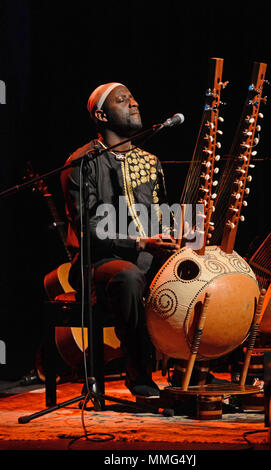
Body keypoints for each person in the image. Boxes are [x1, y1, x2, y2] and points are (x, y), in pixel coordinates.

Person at [60, 82, 179, 398]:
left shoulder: (150, 162)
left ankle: (193, 371)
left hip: (147, 259)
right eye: (122, 99)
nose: (134, 103)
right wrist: (140, 243)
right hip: (96, 262)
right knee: (128, 276)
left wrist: (175, 236)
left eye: (134, 97)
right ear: (101, 114)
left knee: (194, 269)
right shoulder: (82, 163)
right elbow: (90, 227)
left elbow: (161, 215)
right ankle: (140, 375)